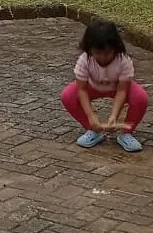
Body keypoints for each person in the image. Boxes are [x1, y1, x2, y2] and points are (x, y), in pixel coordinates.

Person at [61, 19, 148, 152]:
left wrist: (114, 117)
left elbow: (122, 90)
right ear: (89, 49)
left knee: (140, 98)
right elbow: (82, 89)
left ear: (115, 48)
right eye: (97, 53)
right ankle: (92, 130)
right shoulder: (84, 60)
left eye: (107, 53)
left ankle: (126, 133)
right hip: (92, 86)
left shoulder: (124, 61)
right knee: (67, 96)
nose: (102, 57)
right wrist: (91, 116)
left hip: (117, 88)